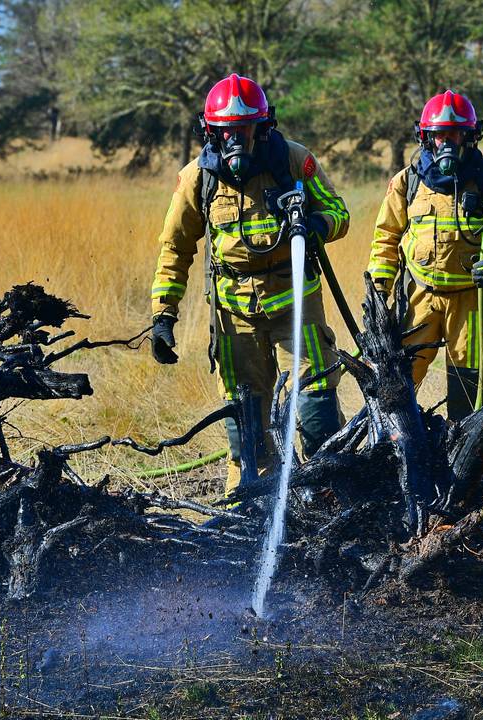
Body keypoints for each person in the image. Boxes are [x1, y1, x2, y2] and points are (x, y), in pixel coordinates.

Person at [148, 73, 349, 494]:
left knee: (315, 406)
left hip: (297, 306)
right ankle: (248, 506)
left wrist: (314, 224)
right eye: (226, 131)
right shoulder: (196, 179)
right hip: (233, 315)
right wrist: (163, 315)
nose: (236, 140)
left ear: (262, 126)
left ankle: (332, 496)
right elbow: (175, 247)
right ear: (211, 131)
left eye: (244, 129)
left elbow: (339, 213)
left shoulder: (293, 161)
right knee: (246, 417)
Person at [366, 90, 483, 420]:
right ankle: (395, 456)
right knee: (397, 390)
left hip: (471, 303)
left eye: (455, 135)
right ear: (425, 137)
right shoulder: (407, 182)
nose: (447, 144)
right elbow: (386, 238)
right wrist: (379, 291)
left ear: (471, 137)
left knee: (471, 396)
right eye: (440, 135)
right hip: (419, 300)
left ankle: (467, 465)